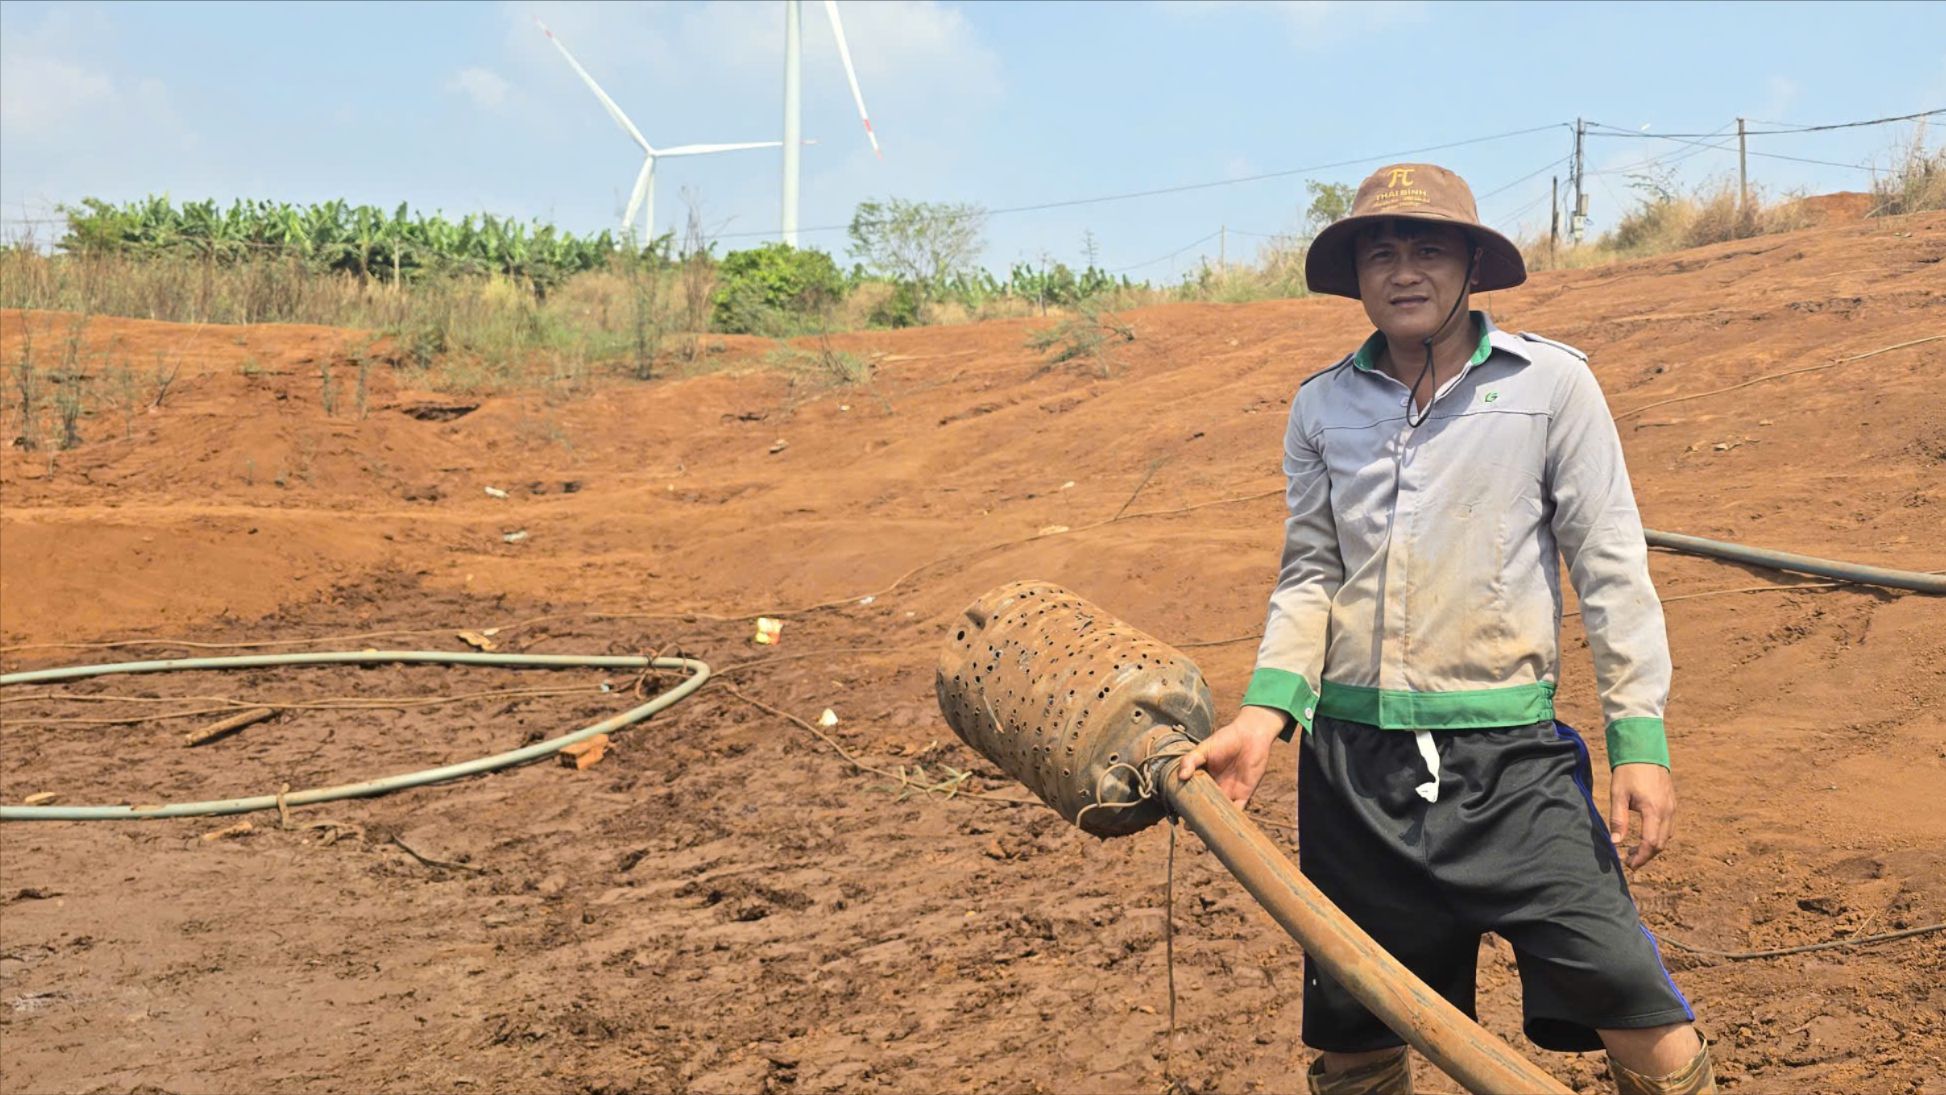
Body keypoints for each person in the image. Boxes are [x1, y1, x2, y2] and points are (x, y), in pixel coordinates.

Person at [1176, 163, 1714, 1095]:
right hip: (1356, 773)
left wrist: (1641, 740)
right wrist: (1265, 716)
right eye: (1380, 252)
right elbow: (1311, 572)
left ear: (1473, 264)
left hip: (1508, 764)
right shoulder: (1322, 406)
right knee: (1358, 1042)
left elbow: (1611, 569)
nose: (1404, 270)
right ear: (1356, 276)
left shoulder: (1554, 386)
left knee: (1639, 1009)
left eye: (1428, 247)